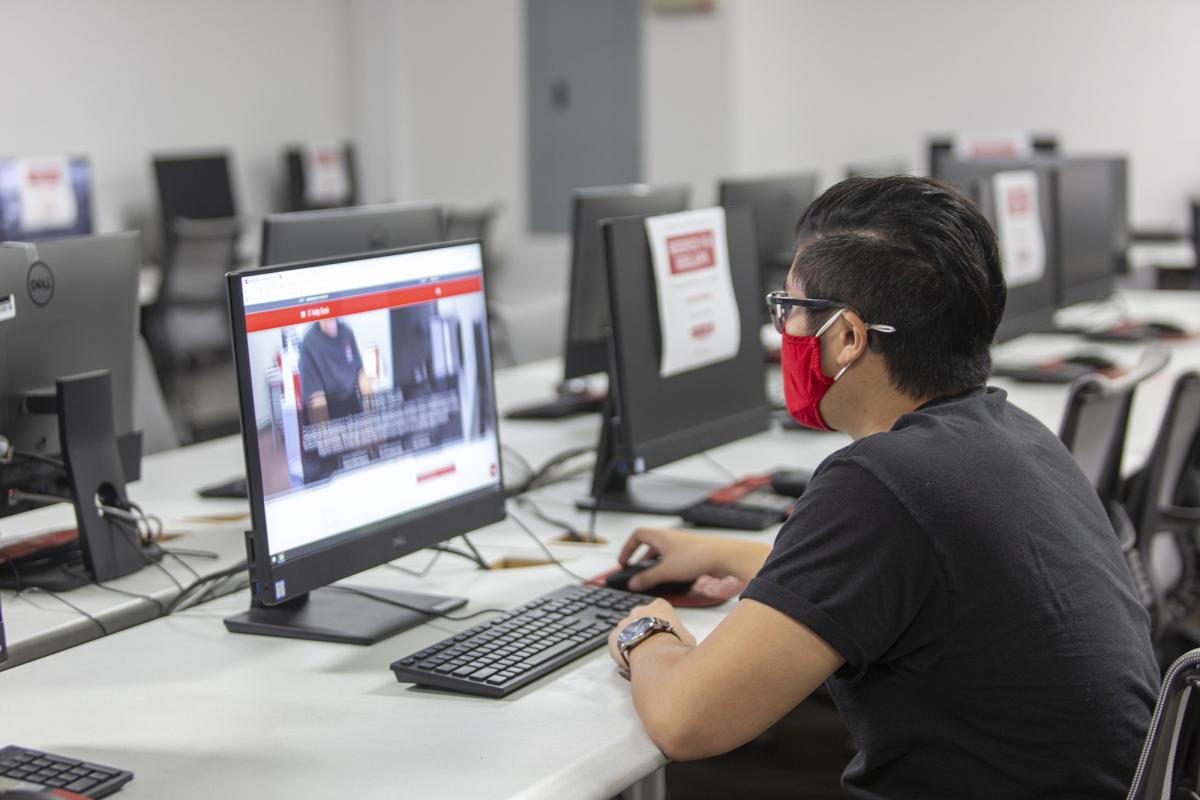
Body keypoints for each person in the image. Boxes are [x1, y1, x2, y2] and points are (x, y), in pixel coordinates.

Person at [606, 176, 1158, 799]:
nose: (782, 332)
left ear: (845, 336)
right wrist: (724, 552)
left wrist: (645, 635)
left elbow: (686, 723)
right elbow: (924, 577)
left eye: (789, 312)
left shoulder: (878, 483)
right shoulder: (1015, 434)